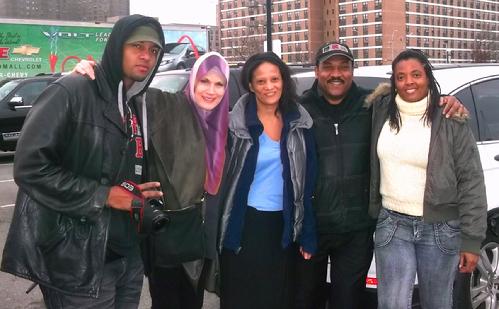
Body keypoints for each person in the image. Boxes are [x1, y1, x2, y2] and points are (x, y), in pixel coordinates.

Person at [1, 15, 165, 308]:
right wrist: (104, 196)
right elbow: (29, 167)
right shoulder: (72, 91)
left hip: (128, 259)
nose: (146, 56)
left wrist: (132, 193)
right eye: (137, 46)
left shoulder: (132, 103)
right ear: (117, 47)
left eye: (154, 50)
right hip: (81, 264)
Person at [295, 41, 467, 309]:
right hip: (312, 227)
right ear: (317, 71)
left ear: (352, 70)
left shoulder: (374, 105)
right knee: (305, 299)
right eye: (328, 67)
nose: (336, 73)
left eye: (343, 67)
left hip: (357, 230)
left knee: (348, 302)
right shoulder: (299, 109)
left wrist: (447, 100)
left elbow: (415, 99)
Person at [72, 52, 230, 309]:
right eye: (204, 81)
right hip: (169, 234)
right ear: (192, 82)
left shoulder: (224, 126)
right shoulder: (168, 107)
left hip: (203, 237)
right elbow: (128, 93)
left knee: (193, 302)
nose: (211, 90)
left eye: (219, 83)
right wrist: (93, 75)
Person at [367, 49, 487, 309]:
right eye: (400, 77)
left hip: (441, 228)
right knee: (392, 304)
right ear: (393, 82)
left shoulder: (450, 118)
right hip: (392, 224)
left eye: (416, 74)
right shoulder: (381, 111)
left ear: (428, 77)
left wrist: (472, 240)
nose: (409, 82)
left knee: (437, 303)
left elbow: (471, 181)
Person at [217, 51, 317, 309]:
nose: (269, 86)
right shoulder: (234, 125)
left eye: (275, 78)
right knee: (242, 297)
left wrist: (307, 233)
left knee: (278, 298)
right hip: (246, 224)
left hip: (283, 225)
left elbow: (307, 183)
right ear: (250, 85)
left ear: (283, 80)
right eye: (261, 81)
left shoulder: (299, 123)